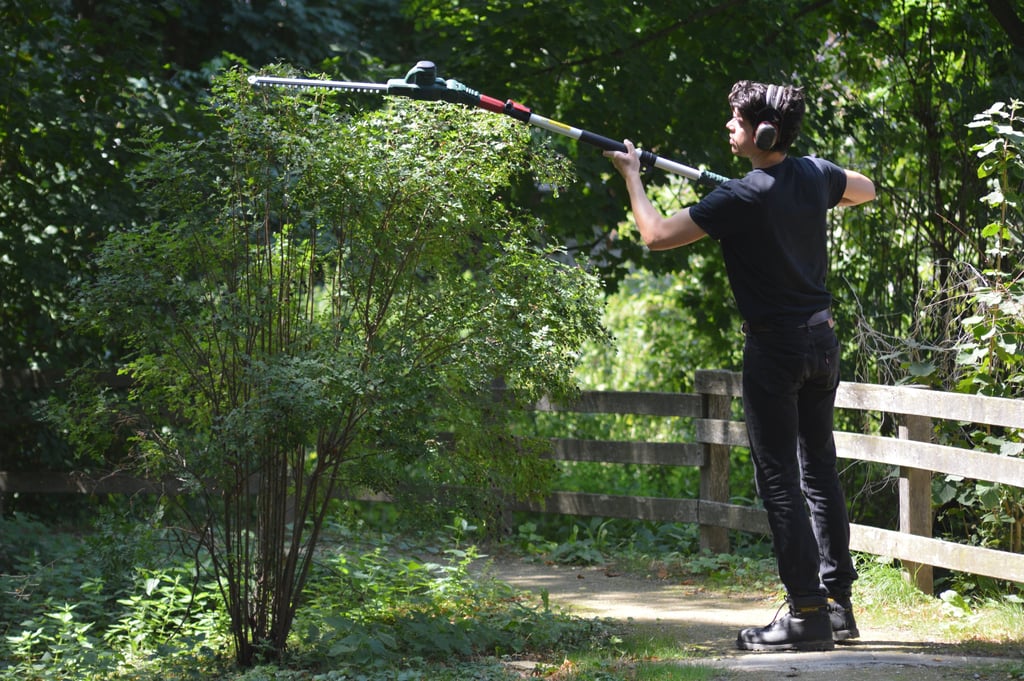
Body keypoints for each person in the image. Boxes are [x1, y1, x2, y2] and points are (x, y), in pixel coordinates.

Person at [604, 80, 876, 652]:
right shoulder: (811, 174)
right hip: (822, 346)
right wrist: (799, 195)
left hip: (775, 352)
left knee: (779, 480)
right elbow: (866, 190)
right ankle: (836, 607)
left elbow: (654, 235)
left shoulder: (740, 197)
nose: (729, 126)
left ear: (764, 131)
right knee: (818, 472)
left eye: (736, 120)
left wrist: (633, 177)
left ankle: (805, 614)